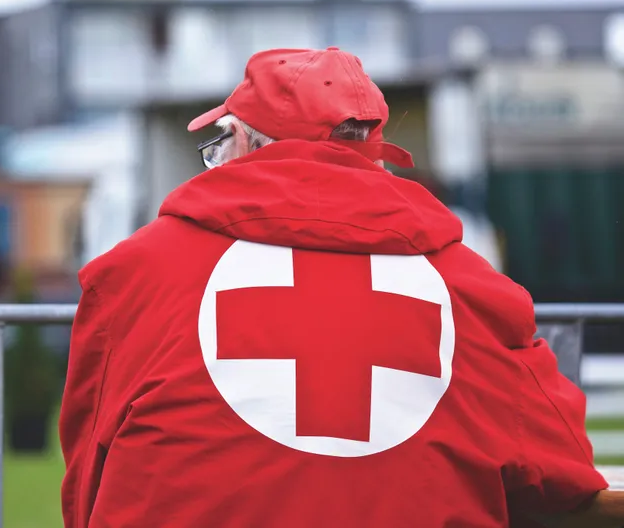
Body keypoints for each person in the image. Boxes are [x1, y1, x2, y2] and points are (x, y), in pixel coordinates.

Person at [59, 47, 621, 527]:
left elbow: (87, 481)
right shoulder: (475, 291)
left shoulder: (135, 274)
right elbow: (562, 473)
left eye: (219, 143)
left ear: (242, 141)